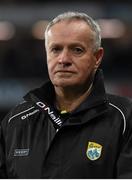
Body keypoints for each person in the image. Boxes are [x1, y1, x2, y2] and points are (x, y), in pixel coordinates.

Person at [0, 11, 132, 179]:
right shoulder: (15, 122)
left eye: (77, 50)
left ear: (97, 57)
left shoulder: (125, 119)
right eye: (55, 49)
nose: (63, 59)